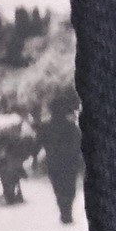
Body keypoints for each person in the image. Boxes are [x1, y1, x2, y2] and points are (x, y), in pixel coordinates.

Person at [39, 92, 85, 224]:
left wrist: (36, 157)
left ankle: (64, 211)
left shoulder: (46, 126)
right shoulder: (71, 127)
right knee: (69, 187)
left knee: (58, 187)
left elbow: (38, 142)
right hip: (70, 161)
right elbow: (79, 143)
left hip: (54, 161)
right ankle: (67, 212)